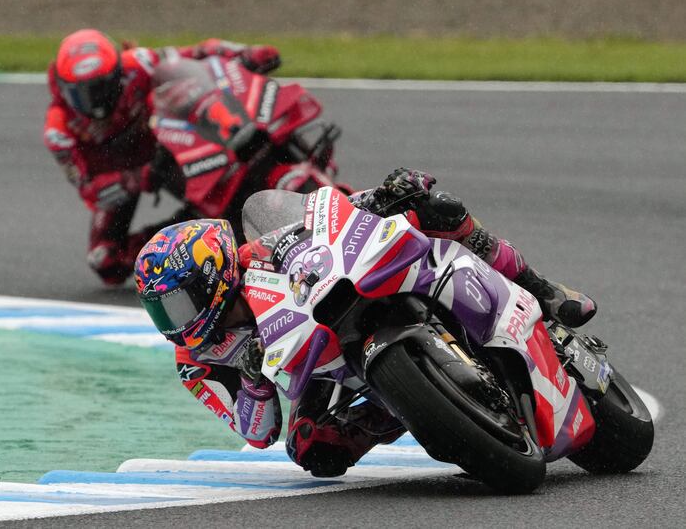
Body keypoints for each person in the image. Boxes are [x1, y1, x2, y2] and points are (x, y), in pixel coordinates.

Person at [133, 168, 597, 477]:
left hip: (340, 298)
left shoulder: (257, 251)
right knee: (311, 448)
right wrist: (253, 377)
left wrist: (385, 195)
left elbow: (329, 217)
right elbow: (257, 432)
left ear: (211, 276)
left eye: (177, 305)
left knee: (435, 207)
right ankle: (405, 407)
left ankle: (540, 287)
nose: (174, 322)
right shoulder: (195, 360)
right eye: (161, 311)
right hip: (317, 367)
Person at [43, 29, 281, 284]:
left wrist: (243, 53)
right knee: (106, 260)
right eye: (84, 93)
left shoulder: (137, 64)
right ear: (63, 88)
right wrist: (137, 177)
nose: (96, 101)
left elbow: (192, 55)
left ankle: (234, 129)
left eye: (103, 87)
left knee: (174, 83)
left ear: (117, 74)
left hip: (170, 145)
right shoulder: (60, 131)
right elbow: (90, 189)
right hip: (127, 173)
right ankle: (180, 240)